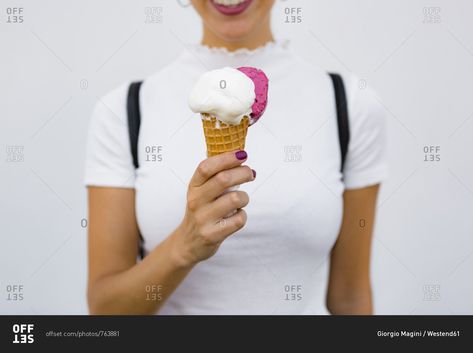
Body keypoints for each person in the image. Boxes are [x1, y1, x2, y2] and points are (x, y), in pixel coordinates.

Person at [84, 0, 388, 314]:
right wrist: (184, 247)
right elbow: (106, 311)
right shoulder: (123, 110)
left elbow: (350, 298)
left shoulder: (350, 105)